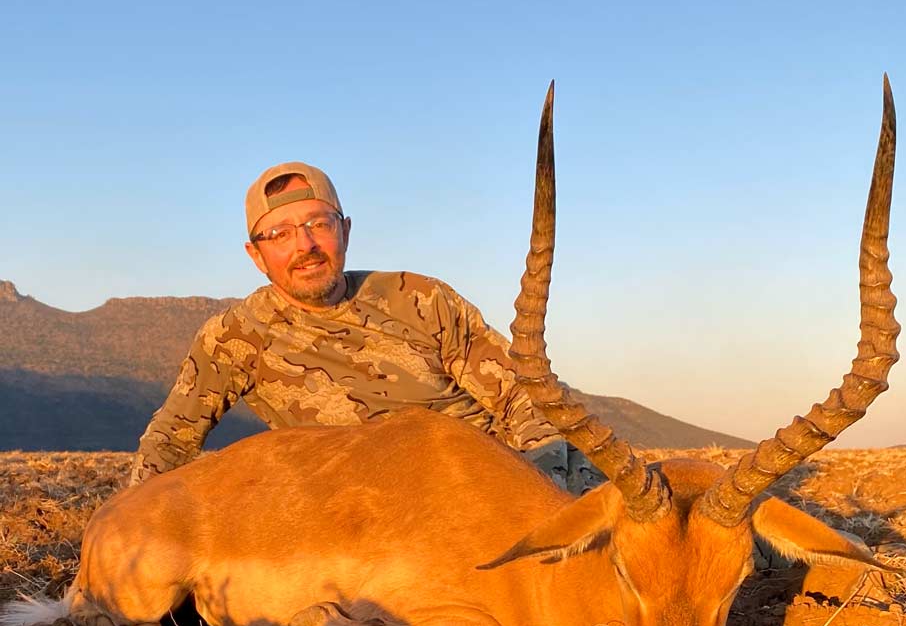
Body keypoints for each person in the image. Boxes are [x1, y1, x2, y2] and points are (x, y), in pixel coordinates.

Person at [129, 161, 603, 493]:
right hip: (380, 513)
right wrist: (127, 525)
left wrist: (542, 489)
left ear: (346, 230)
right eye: (280, 234)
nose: (306, 245)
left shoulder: (419, 298)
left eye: (319, 223)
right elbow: (170, 440)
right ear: (256, 256)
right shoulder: (234, 338)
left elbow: (523, 396)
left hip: (503, 481)